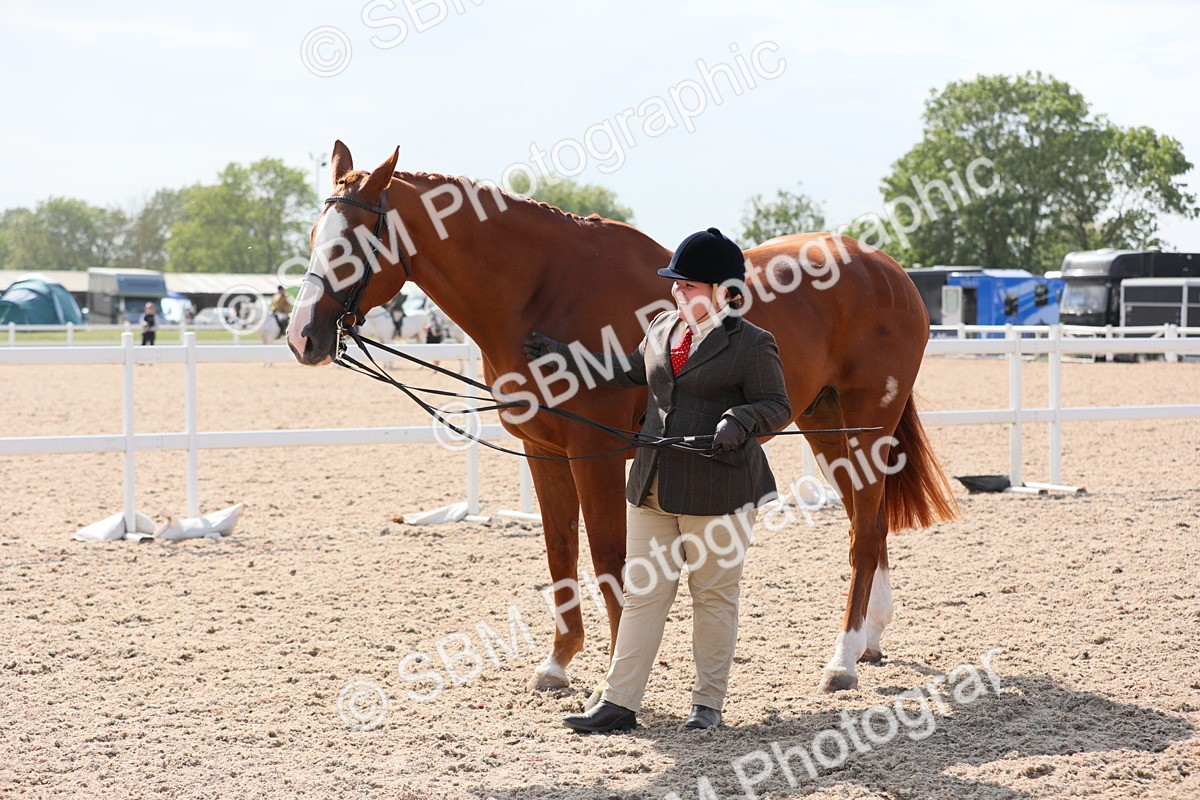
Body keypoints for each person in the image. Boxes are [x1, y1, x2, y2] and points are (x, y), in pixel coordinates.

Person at [523, 227, 792, 733]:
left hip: (719, 491)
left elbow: (778, 406)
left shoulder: (753, 344)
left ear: (722, 291)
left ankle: (707, 705)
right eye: (675, 284)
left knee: (712, 596)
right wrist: (565, 357)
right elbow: (628, 371)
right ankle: (619, 702)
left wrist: (740, 420)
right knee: (643, 591)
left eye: (687, 285)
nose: (676, 292)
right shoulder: (664, 329)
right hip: (652, 483)